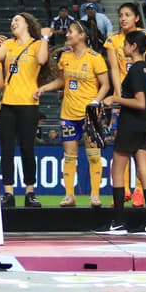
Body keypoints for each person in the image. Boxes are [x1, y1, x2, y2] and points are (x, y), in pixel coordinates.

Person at [37, 20, 110, 208]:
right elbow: (61, 81)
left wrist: (96, 102)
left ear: (82, 36)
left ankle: (95, 195)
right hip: (68, 113)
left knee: (94, 155)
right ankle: (69, 196)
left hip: (90, 114)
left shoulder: (95, 58)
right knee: (69, 155)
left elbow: (106, 85)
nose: (67, 34)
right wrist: (44, 88)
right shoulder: (65, 57)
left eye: (70, 32)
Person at [101, 31, 146, 237]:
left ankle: (118, 222)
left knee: (117, 171)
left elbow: (141, 102)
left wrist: (115, 98)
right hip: (144, 126)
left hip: (131, 125)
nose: (123, 47)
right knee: (144, 171)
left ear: (133, 46)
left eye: (126, 44)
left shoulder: (136, 70)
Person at [0, 13, 49, 208]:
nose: (13, 22)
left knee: (27, 148)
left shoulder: (36, 44)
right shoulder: (8, 43)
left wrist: (45, 38)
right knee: (7, 149)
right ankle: (8, 193)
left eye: (17, 20)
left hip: (28, 103)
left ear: (27, 24)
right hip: (8, 103)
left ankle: (30, 192)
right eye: (12, 20)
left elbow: (42, 61)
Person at [104, 2, 146, 206]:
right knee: (124, 147)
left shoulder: (143, 38)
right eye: (121, 15)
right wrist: (117, 93)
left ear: (136, 18)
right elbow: (114, 69)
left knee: (137, 150)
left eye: (128, 15)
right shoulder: (113, 40)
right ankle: (124, 191)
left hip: (140, 94)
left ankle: (139, 190)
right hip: (124, 94)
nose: (123, 18)